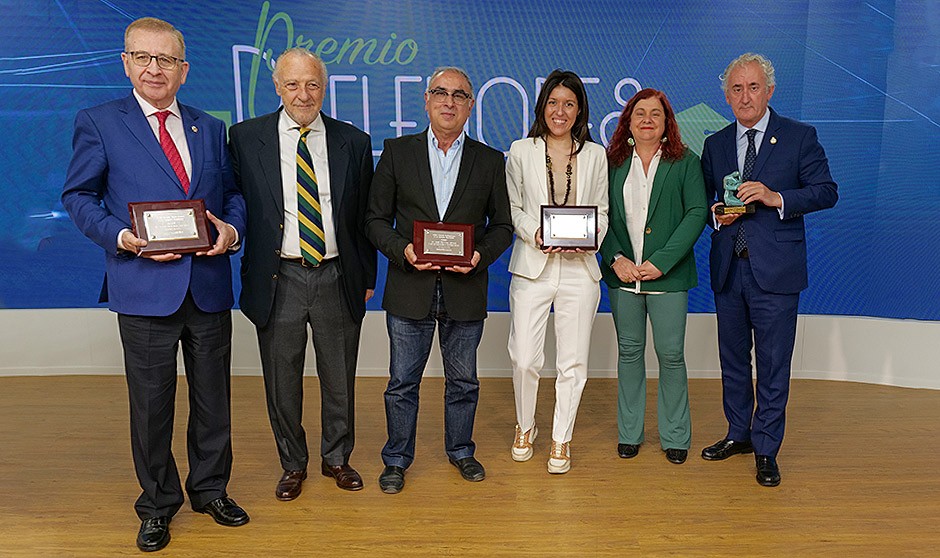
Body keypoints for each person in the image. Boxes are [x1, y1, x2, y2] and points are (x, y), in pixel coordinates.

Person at [61, 17, 249, 552]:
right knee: (151, 407)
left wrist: (231, 231)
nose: (154, 68)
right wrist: (122, 238)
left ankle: (210, 490)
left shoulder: (210, 127)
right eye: (143, 57)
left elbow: (233, 195)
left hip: (207, 285)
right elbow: (78, 197)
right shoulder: (99, 122)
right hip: (142, 286)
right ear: (126, 63)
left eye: (165, 59)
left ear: (183, 70)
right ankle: (157, 505)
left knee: (213, 401)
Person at [228, 48, 375, 499]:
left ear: (324, 87)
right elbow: (234, 203)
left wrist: (367, 277)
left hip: (337, 275)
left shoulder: (354, 141)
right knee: (282, 381)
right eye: (292, 84)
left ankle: (337, 458)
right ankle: (292, 464)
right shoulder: (244, 138)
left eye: (312, 84)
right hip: (279, 277)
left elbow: (365, 218)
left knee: (339, 377)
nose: (303, 94)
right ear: (277, 87)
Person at [364, 67, 513, 494]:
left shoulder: (489, 160)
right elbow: (375, 220)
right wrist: (403, 251)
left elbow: (503, 226)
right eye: (441, 93)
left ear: (470, 105)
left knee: (463, 382)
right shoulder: (397, 152)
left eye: (459, 95)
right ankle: (396, 459)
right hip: (410, 286)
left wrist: (480, 256)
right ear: (427, 101)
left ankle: (461, 450)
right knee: (401, 384)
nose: (449, 101)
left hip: (465, 289)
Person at [700, 53, 838, 486]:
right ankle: (738, 433)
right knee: (733, 360)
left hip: (776, 272)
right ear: (727, 96)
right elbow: (704, 202)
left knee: (773, 364)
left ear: (770, 91)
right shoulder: (715, 143)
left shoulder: (799, 136)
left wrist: (776, 197)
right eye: (737, 89)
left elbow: (826, 191)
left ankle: (766, 449)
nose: (745, 96)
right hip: (729, 269)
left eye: (753, 87)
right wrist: (716, 214)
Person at [505, 70, 609, 474]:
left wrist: (589, 238)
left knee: (573, 362)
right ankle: (525, 425)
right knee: (524, 358)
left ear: (579, 110)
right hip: (533, 266)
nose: (560, 111)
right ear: (542, 106)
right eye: (553, 102)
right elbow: (513, 208)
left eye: (569, 103)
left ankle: (561, 437)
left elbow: (602, 211)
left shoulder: (595, 154)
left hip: (580, 270)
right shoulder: (521, 150)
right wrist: (535, 233)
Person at [600, 89, 707, 466]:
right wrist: (615, 258)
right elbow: (598, 215)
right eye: (639, 113)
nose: (647, 119)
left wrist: (662, 262)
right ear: (628, 122)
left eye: (655, 114)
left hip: (668, 278)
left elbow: (697, 213)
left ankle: (675, 435)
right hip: (623, 276)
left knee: (671, 354)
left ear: (666, 123)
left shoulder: (686, 162)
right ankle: (629, 433)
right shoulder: (611, 163)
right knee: (629, 352)